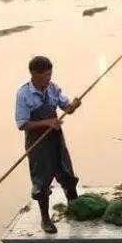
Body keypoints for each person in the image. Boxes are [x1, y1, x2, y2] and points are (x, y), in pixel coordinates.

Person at [15, 56, 82, 233]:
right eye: (45, 75)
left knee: (66, 172)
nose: (48, 78)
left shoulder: (53, 88)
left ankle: (75, 208)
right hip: (37, 142)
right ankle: (45, 219)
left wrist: (73, 106)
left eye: (50, 74)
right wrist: (47, 122)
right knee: (41, 180)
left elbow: (66, 107)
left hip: (56, 138)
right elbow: (22, 124)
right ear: (34, 74)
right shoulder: (24, 94)